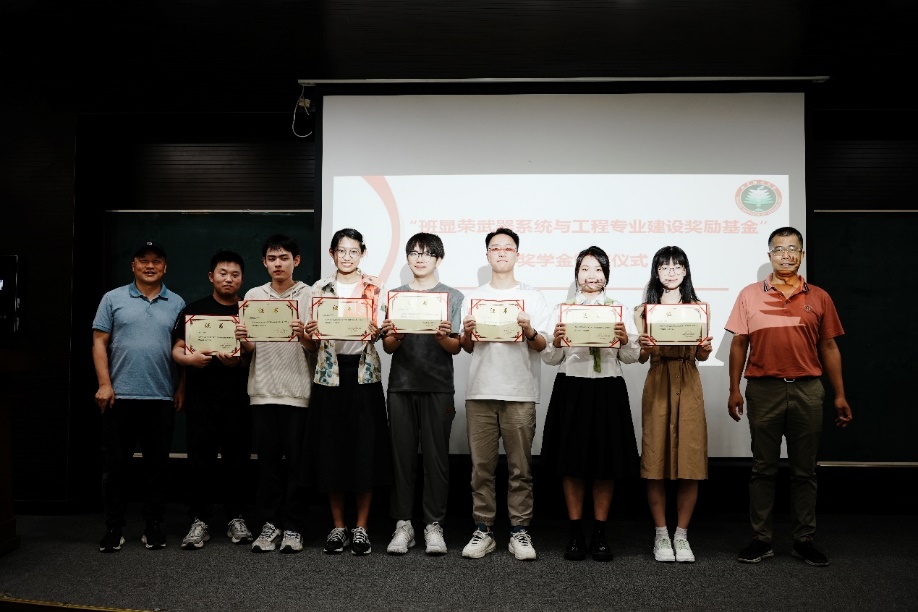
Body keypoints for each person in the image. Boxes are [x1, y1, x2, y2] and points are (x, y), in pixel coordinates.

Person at [726, 226, 852, 567]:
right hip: (763, 389)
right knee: (762, 469)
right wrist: (734, 388)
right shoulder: (749, 294)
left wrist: (840, 394)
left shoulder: (819, 297)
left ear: (802, 255)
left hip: (807, 390)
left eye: (793, 249)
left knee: (805, 471)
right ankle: (761, 539)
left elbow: (829, 347)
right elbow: (739, 344)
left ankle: (803, 540)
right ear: (769, 255)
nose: (786, 255)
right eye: (779, 249)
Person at [541, 246, 641, 562]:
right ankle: (575, 533)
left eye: (598, 269)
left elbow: (632, 356)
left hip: (608, 386)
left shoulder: (619, 311)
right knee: (571, 464)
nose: (591, 275)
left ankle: (599, 534)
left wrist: (625, 340)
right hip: (572, 386)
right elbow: (550, 358)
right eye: (585, 269)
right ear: (576, 274)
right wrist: (556, 342)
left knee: (605, 466)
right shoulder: (563, 310)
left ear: (606, 276)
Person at [458, 227, 551, 561]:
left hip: (519, 391)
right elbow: (466, 346)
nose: (501, 252)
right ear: (487, 255)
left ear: (516, 254)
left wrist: (529, 330)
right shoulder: (474, 297)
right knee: (481, 468)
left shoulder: (532, 296)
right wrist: (467, 333)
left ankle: (519, 531)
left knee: (520, 469)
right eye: (495, 248)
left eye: (507, 248)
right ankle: (483, 530)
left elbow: (543, 345)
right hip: (480, 391)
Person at [302, 228, 391, 556]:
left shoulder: (375, 288)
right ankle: (338, 526)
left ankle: (361, 527)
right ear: (332, 253)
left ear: (362, 253)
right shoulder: (319, 289)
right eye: (341, 251)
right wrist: (309, 333)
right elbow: (310, 343)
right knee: (331, 450)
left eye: (354, 251)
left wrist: (379, 330)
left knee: (365, 451)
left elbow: (384, 332)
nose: (347, 256)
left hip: (364, 375)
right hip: (329, 375)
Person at [92, 240, 186, 552]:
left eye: (156, 261)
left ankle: (153, 525)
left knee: (157, 468)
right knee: (115, 467)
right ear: (133, 265)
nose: (150, 266)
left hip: (160, 398)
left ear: (165, 267)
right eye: (143, 260)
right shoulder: (113, 298)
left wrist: (181, 388)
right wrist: (104, 384)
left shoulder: (177, 303)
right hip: (119, 397)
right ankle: (113, 527)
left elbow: (184, 349)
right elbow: (99, 342)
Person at [379, 233, 464, 556]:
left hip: (438, 385)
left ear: (438, 259)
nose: (420, 258)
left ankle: (433, 525)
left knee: (436, 460)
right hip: (401, 386)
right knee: (401, 459)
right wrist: (397, 335)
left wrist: (442, 337)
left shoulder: (452, 296)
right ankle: (403, 524)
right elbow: (389, 346)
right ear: (407, 258)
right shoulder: (396, 296)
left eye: (427, 253)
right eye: (414, 253)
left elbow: (456, 347)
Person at [234, 234, 313, 554]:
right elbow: (250, 349)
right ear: (264, 262)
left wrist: (303, 335)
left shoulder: (309, 294)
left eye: (284, 258)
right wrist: (242, 339)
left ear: (296, 260)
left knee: (296, 465)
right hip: (262, 390)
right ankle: (269, 524)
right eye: (272, 258)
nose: (278, 264)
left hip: (298, 391)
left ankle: (294, 526)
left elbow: (316, 347)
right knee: (267, 465)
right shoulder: (253, 295)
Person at [634, 246, 714, 563]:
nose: (671, 272)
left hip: (689, 381)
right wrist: (643, 347)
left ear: (685, 271)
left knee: (690, 464)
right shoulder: (644, 310)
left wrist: (705, 348)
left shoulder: (698, 309)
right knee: (655, 463)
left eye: (677, 266)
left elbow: (701, 354)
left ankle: (681, 535)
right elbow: (642, 357)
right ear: (656, 272)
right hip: (658, 382)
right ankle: (661, 534)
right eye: (664, 267)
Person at [171, 251, 253, 550]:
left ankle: (236, 517)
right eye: (222, 273)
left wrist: (239, 361)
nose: (228, 279)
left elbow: (254, 353)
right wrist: (189, 360)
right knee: (199, 460)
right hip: (201, 398)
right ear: (211, 276)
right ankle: (200, 519)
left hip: (239, 399)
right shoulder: (194, 310)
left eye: (234, 274)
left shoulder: (248, 311)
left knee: (237, 461)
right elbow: (177, 348)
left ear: (242, 279)